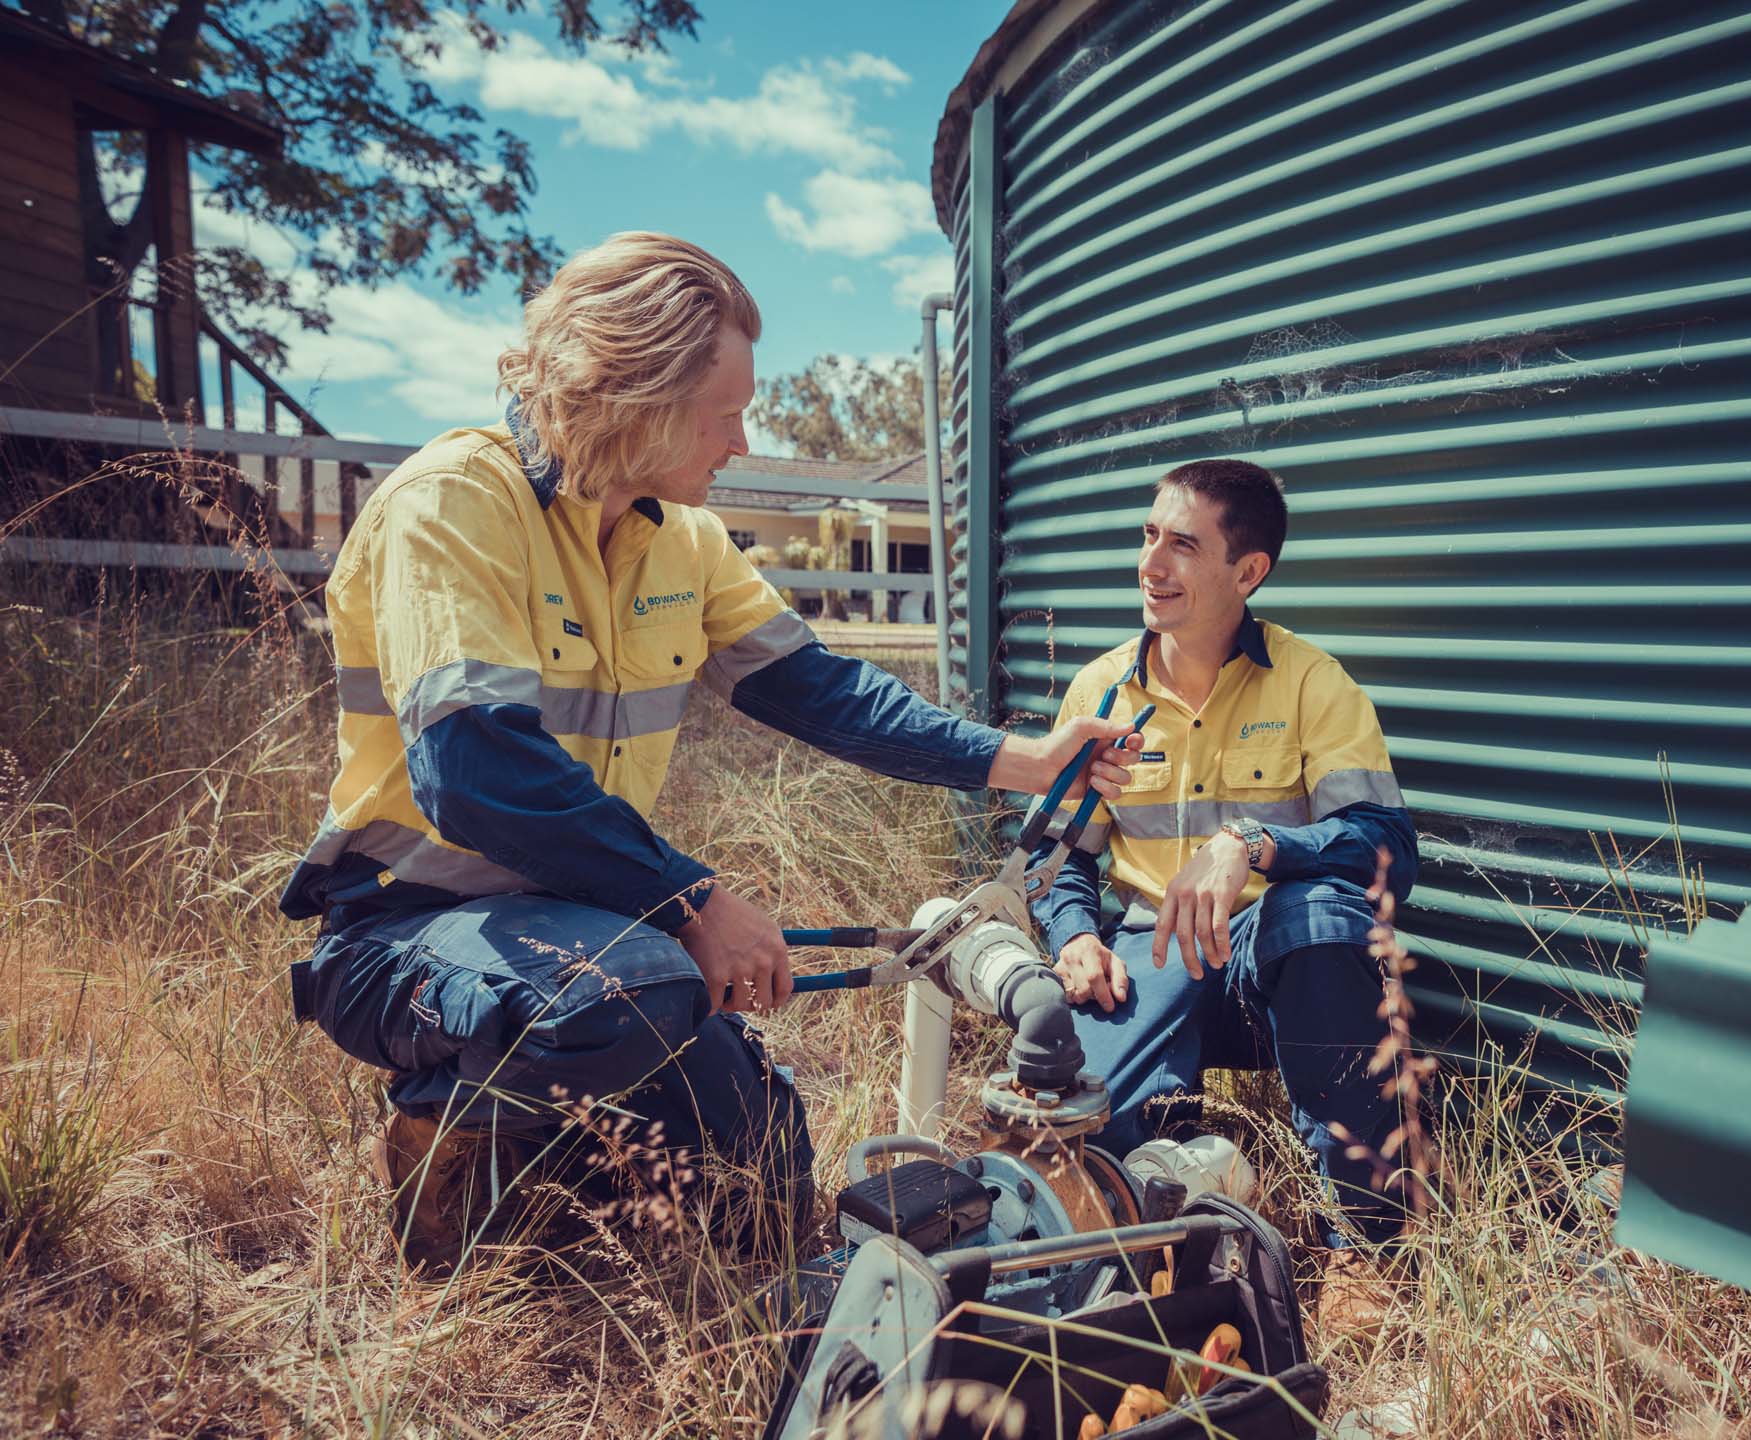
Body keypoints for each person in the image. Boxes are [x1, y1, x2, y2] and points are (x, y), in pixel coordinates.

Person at [281, 232, 1133, 1271]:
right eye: (723, 413)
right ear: (631, 393)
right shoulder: (454, 503)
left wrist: (1029, 761)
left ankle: (559, 1173)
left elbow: (826, 692)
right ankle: (443, 1156)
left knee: (763, 1172)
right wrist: (689, 902)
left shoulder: (680, 537)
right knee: (629, 997)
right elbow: (472, 771)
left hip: (586, 926)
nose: (738, 441)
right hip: (408, 929)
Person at [1026, 458, 1419, 1257]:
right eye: (1147, 536)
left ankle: (1366, 1249)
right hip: (1149, 954)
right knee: (1088, 1131)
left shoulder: (1315, 684)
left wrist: (1252, 843)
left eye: (1181, 545)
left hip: (1269, 962)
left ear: (1248, 571)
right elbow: (1057, 856)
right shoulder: (1101, 692)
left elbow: (1389, 849)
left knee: (1321, 918)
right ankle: (1176, 1247)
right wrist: (1073, 935)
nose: (1149, 565)